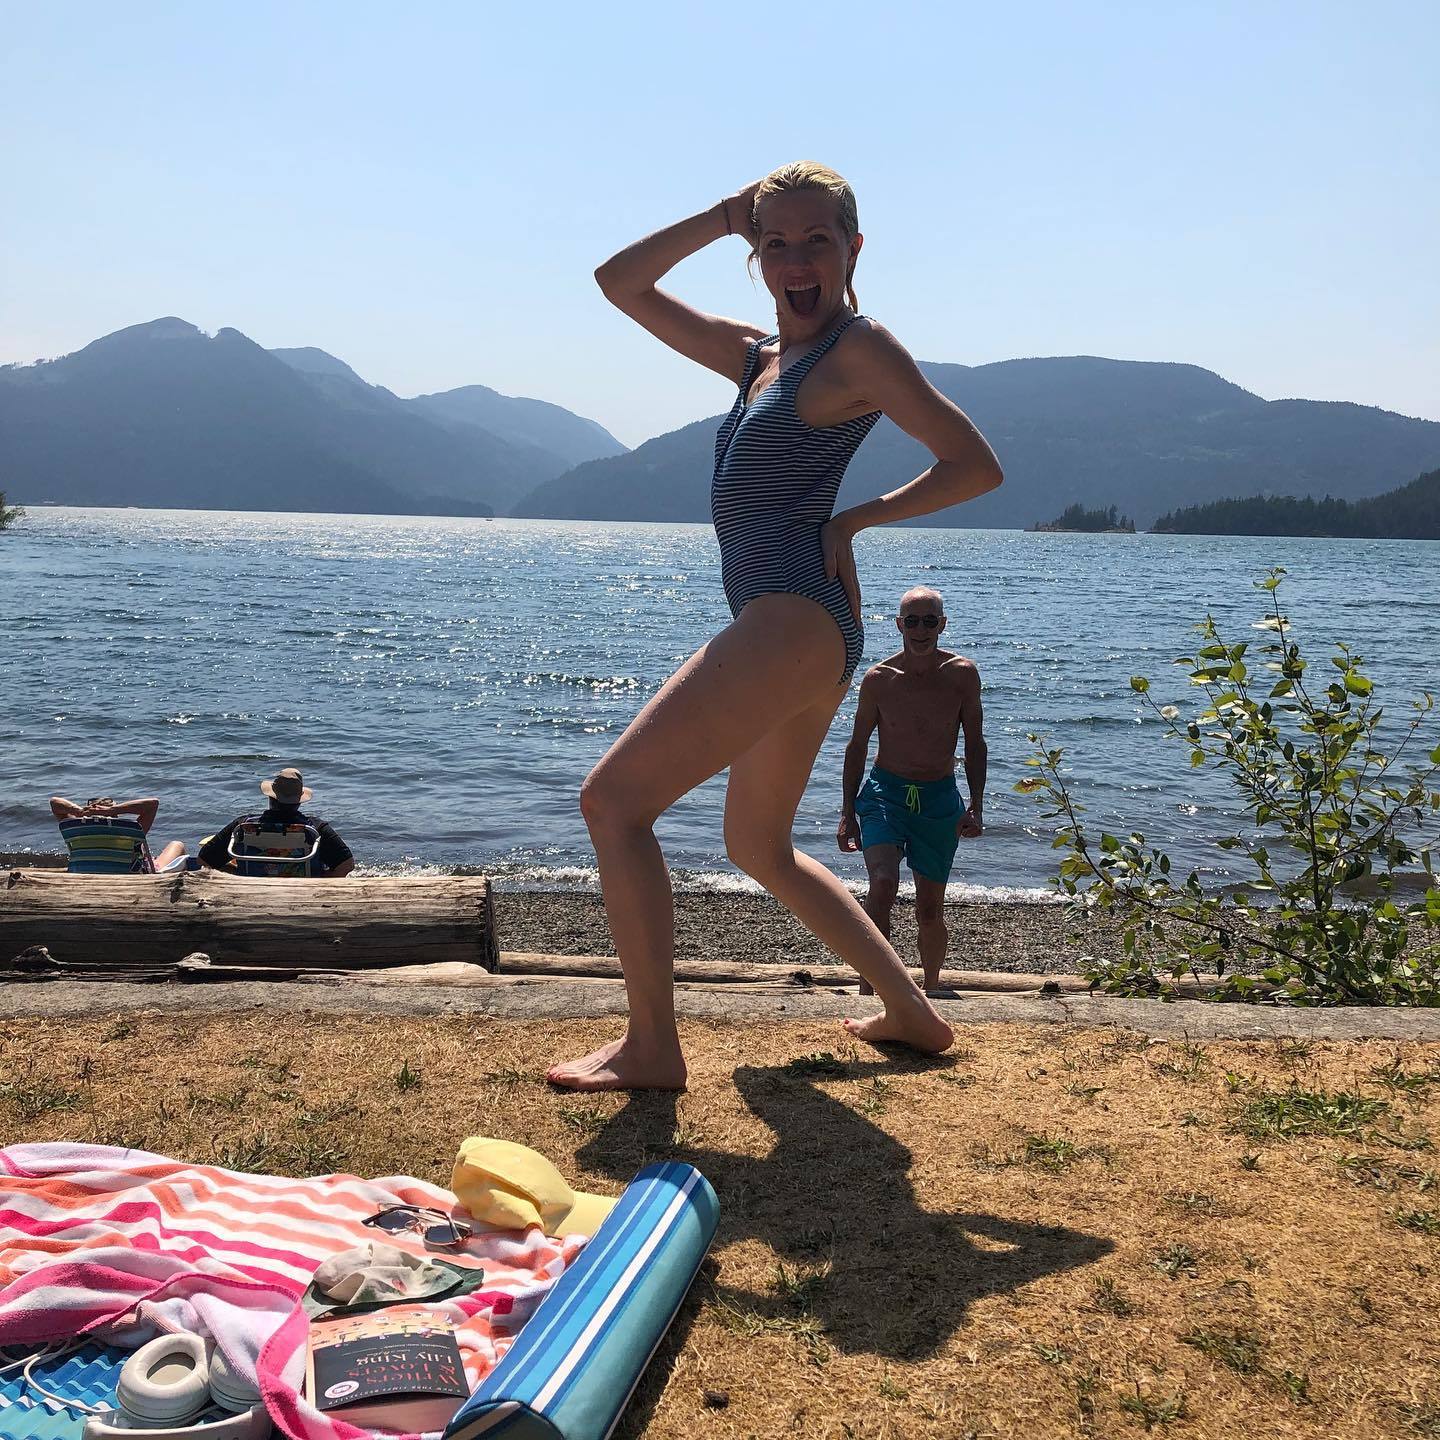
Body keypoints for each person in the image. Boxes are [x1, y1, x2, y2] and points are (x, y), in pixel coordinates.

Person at [546, 161, 1003, 1092]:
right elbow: (619, 283)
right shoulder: (755, 357)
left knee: (614, 803)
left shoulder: (858, 349)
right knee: (758, 847)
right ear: (756, 256)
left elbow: (973, 463)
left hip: (793, 617)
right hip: (801, 629)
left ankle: (652, 1048)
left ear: (853, 250)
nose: (797, 261)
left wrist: (856, 519)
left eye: (818, 241)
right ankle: (912, 1013)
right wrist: (724, 215)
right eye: (776, 242)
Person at [838, 587, 986, 994]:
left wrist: (976, 805)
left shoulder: (962, 675)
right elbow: (857, 746)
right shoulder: (879, 679)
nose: (921, 630)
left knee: (929, 908)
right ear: (899, 625)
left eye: (929, 621)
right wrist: (847, 812)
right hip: (885, 794)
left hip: (938, 797)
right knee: (882, 883)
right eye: (913, 621)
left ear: (942, 624)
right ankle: (871, 987)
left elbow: (975, 743)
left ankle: (931, 990)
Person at [198, 767, 355, 877]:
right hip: (302, 893)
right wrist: (318, 879)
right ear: (299, 800)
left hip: (253, 890)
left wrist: (235, 872)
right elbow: (347, 865)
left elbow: (204, 860)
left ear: (270, 796)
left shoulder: (244, 826)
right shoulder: (316, 829)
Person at [49, 794, 187, 872]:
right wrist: (113, 810)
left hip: (84, 871)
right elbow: (153, 803)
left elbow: (54, 802)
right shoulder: (127, 831)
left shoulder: (76, 828)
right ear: (115, 815)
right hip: (128, 874)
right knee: (177, 845)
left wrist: (79, 811)